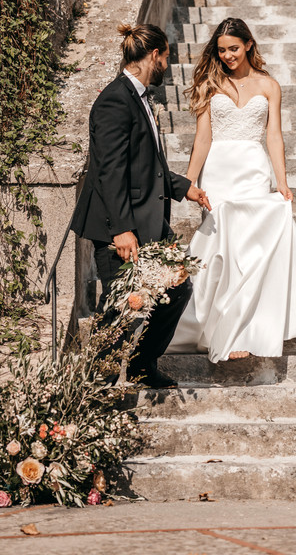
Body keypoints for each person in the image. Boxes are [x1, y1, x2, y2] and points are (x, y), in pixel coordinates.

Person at [167, 18, 296, 362]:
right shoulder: (210, 83)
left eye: (234, 48)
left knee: (251, 250)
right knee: (222, 248)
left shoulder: (269, 85)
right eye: (222, 49)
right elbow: (203, 138)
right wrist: (189, 182)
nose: (228, 55)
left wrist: (282, 181)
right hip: (219, 171)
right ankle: (213, 327)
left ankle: (244, 330)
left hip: (253, 169)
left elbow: (274, 135)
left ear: (247, 45)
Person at [71, 23, 211, 388]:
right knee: (119, 304)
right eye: (165, 56)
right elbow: (110, 170)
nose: (166, 63)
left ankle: (141, 365)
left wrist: (184, 188)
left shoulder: (138, 97)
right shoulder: (115, 100)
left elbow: (147, 164)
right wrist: (121, 228)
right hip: (119, 224)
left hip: (145, 220)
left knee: (176, 289)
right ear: (154, 55)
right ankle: (93, 384)